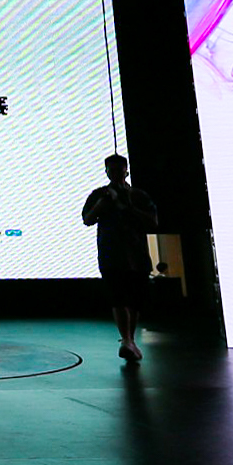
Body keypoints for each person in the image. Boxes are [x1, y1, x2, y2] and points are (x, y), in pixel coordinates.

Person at [83, 153, 158, 362]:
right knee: (118, 298)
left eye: (119, 170)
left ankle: (129, 340)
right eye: (111, 170)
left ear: (127, 171)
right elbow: (87, 219)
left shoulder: (138, 196)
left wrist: (129, 208)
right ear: (106, 172)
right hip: (111, 254)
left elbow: (153, 222)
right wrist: (101, 205)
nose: (115, 174)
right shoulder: (99, 194)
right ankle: (126, 340)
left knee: (134, 300)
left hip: (137, 254)